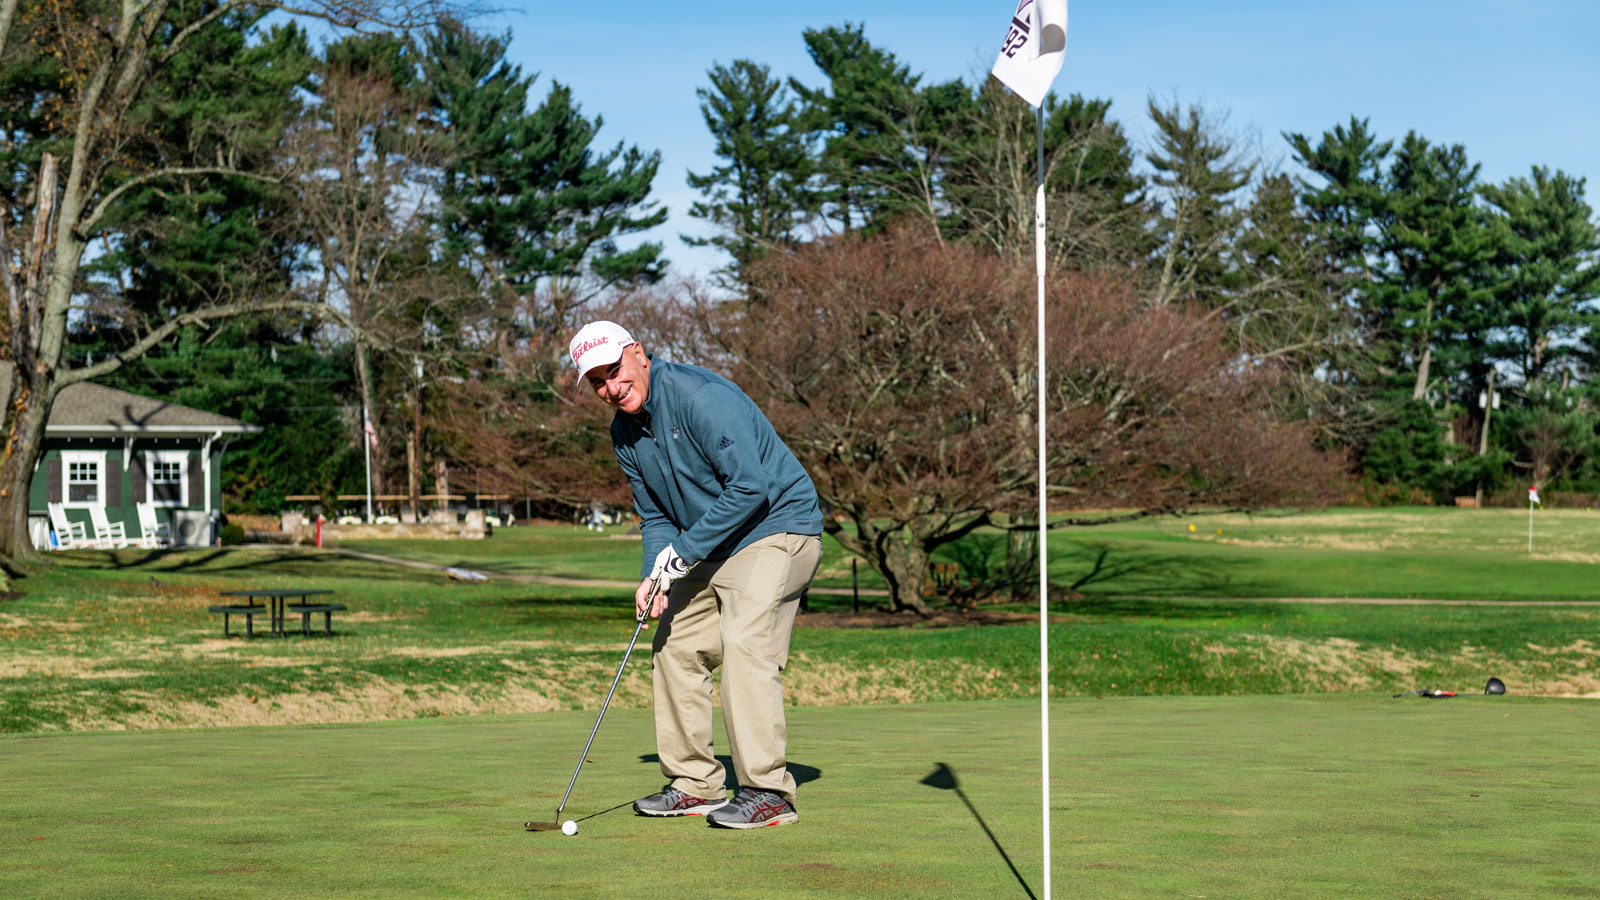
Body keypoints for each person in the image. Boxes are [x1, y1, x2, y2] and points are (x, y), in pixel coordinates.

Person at [568, 320, 823, 829]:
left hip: (779, 529)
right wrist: (653, 576)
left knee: (745, 642)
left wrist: (681, 552)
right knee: (675, 645)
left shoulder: (700, 397)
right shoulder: (624, 432)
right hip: (713, 544)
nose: (610, 388)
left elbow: (750, 487)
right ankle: (694, 784)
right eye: (596, 381)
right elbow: (657, 515)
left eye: (615, 371)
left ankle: (768, 791)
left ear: (638, 354)